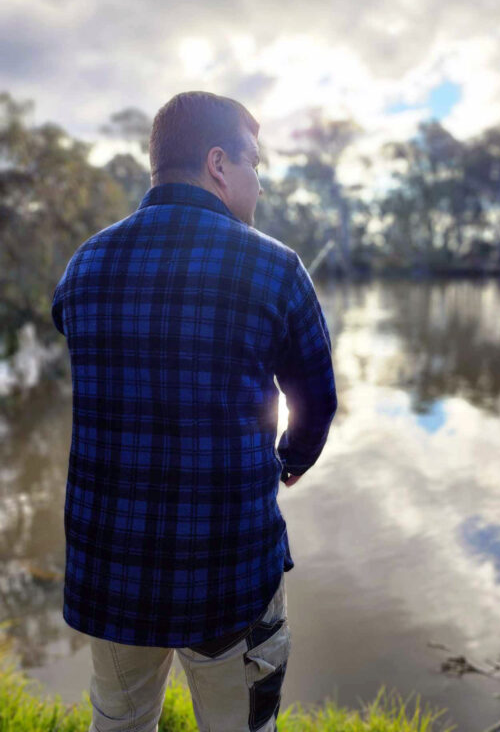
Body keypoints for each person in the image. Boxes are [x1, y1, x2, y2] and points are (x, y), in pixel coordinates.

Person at [50, 91, 338, 732]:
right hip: (228, 573)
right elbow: (314, 402)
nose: (257, 184)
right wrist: (291, 459)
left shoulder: (85, 263)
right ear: (218, 163)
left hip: (111, 569)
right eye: (254, 164)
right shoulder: (275, 267)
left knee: (119, 723)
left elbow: (73, 334)